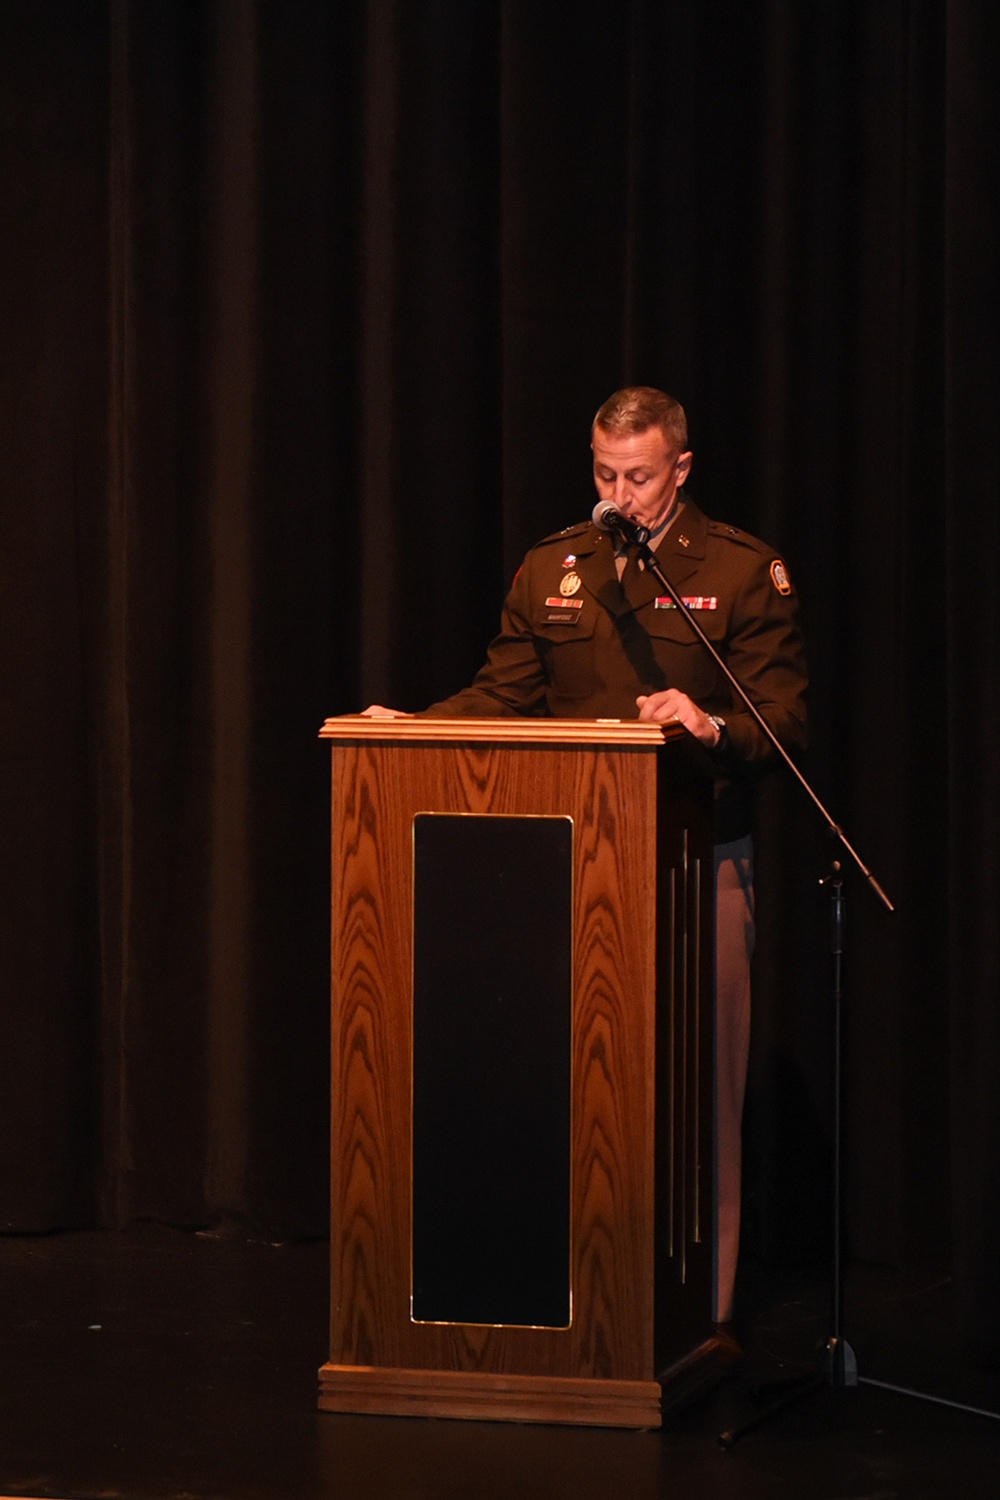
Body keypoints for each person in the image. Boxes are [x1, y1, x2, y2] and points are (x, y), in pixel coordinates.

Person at [365, 386, 808, 1330]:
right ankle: (576, 1308)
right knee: (568, 1099)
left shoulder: (737, 570)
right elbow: (502, 696)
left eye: (638, 477)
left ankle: (703, 1322)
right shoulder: (555, 568)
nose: (620, 494)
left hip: (697, 868)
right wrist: (412, 728)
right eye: (605, 474)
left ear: (679, 470)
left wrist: (711, 722)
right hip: (563, 878)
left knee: (700, 1105)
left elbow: (785, 719)